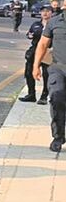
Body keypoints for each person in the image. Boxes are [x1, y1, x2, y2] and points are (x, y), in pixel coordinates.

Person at [32, 14, 66, 152]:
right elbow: (43, 44)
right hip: (58, 68)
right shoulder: (54, 22)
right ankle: (58, 137)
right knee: (56, 98)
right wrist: (36, 66)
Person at [21, 5, 53, 104]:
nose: (45, 13)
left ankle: (44, 96)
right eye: (43, 11)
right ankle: (31, 94)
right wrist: (30, 35)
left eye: (47, 11)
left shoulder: (53, 25)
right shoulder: (36, 24)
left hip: (48, 52)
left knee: (46, 74)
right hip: (35, 50)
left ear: (51, 13)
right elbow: (29, 33)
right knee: (29, 72)